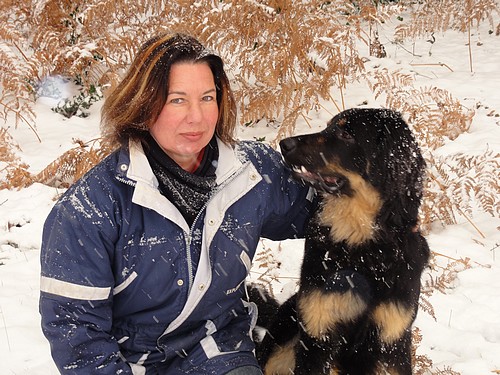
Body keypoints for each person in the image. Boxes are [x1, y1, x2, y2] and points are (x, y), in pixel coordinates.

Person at [39, 33, 315, 375]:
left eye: (207, 98)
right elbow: (76, 332)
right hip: (130, 363)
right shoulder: (90, 207)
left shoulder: (252, 174)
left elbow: (335, 214)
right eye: (177, 100)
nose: (197, 118)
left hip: (218, 351)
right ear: (143, 104)